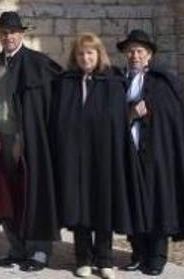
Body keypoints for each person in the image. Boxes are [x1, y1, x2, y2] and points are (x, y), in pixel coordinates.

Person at [118, 30, 184, 276]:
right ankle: (138, 253)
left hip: (156, 155)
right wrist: (130, 113)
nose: (134, 55)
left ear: (149, 56)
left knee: (158, 204)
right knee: (134, 205)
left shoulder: (162, 82)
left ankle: (157, 257)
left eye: (139, 51)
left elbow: (170, 117)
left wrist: (149, 112)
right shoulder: (119, 81)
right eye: (130, 51)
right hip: (130, 154)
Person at [0, 11, 61, 272]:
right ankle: (16, 248)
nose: (8, 37)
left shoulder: (39, 64)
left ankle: (38, 251)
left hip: (31, 144)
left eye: (13, 32)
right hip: (0, 141)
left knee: (35, 195)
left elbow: (52, 107)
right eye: (4, 33)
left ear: (22, 34)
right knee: (7, 197)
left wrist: (28, 139)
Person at [51, 33, 132, 279]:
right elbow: (58, 120)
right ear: (75, 57)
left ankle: (105, 259)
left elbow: (118, 123)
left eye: (90, 53)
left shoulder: (112, 82)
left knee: (103, 206)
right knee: (79, 207)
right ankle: (83, 258)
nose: (85, 57)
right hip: (75, 158)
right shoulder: (66, 82)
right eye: (81, 53)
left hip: (104, 158)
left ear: (98, 55)